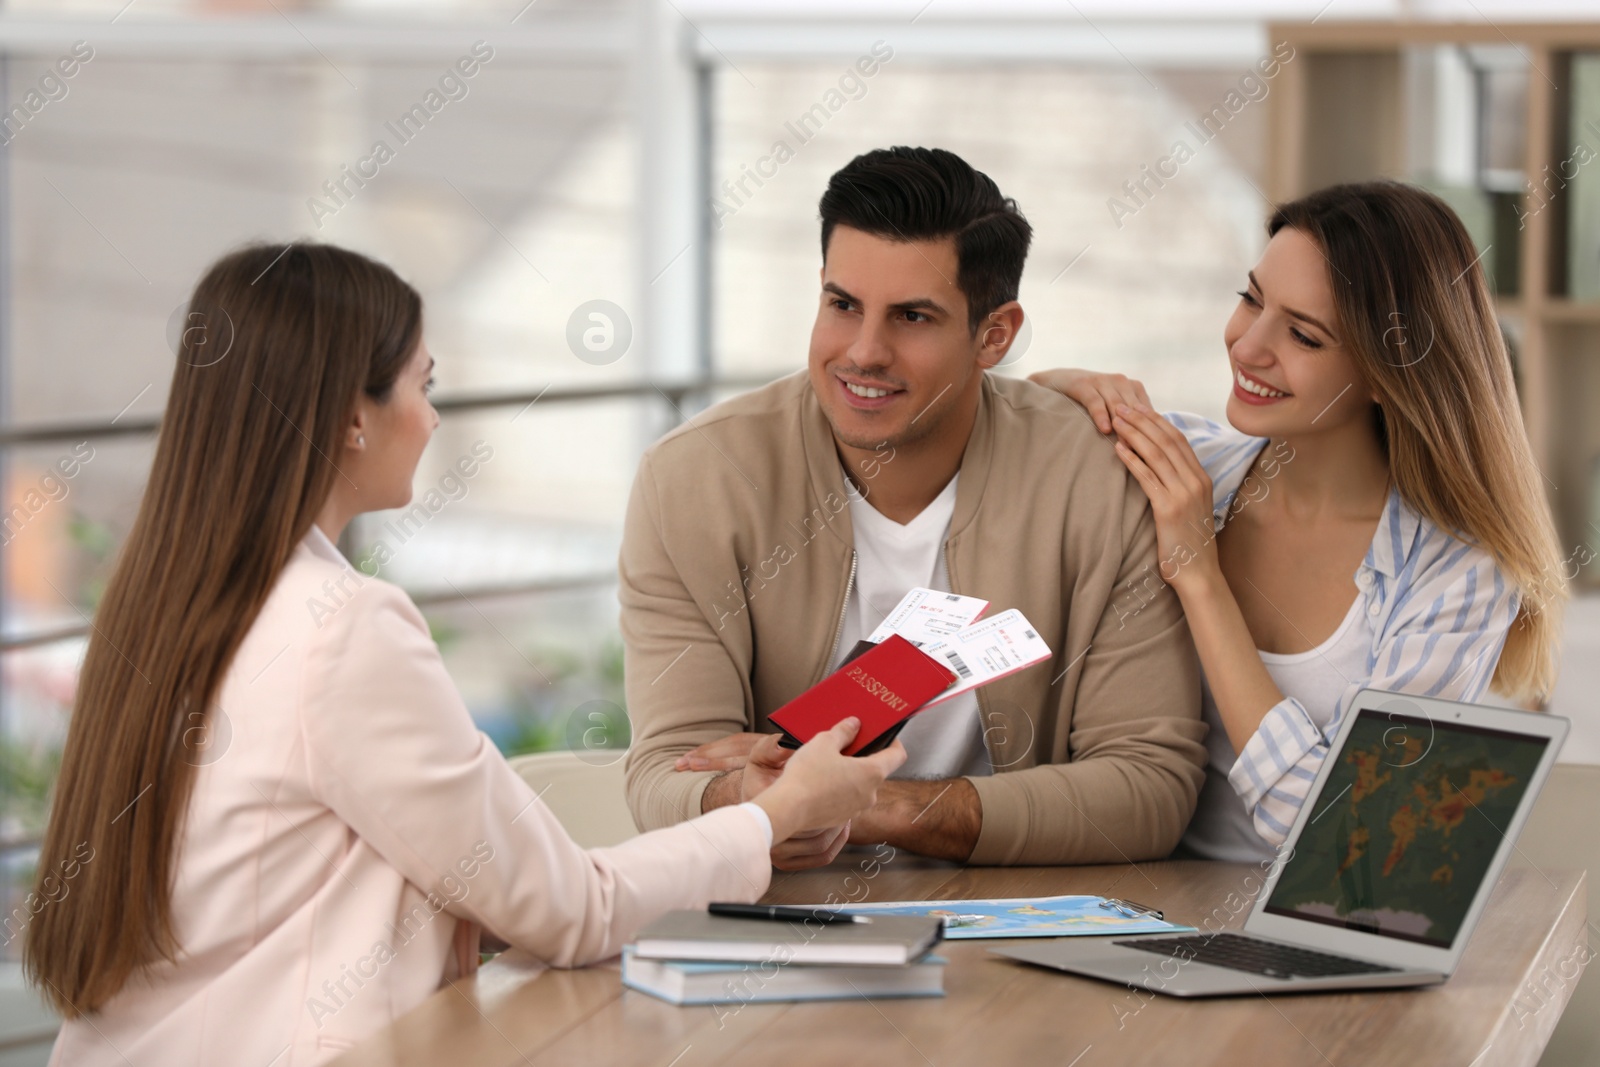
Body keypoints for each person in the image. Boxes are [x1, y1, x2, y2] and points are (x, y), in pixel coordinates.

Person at [23, 243, 904, 1066]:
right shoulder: (342, 627)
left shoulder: (159, 602)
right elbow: (572, 909)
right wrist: (780, 812)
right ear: (350, 420)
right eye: (423, 383)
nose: (436, 415)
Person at [622, 146, 1207, 869]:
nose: (864, 352)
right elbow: (669, 777)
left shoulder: (1096, 480)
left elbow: (1150, 789)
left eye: (913, 317)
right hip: (781, 921)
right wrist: (746, 792)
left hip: (1017, 925)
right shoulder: (695, 480)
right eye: (843, 305)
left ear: (994, 335)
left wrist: (869, 806)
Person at [1029, 180, 1565, 862]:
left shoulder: (1457, 570)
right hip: (1129, 901)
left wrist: (1201, 578)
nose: (1248, 346)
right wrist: (1073, 383)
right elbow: (1005, 428)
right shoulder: (1190, 466)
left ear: (1385, 373)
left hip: (1315, 928)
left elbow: (1344, 831)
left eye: (1304, 335)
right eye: (1251, 299)